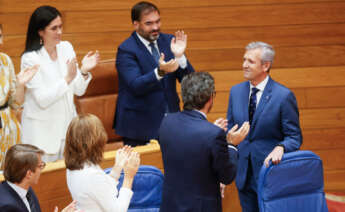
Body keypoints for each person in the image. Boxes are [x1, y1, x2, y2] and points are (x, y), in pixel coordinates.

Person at [226, 41, 302, 212]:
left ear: (265, 65)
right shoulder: (235, 92)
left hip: (271, 174)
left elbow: (295, 137)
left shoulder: (283, 96)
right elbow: (231, 129)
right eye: (244, 59)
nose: (244, 65)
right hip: (243, 174)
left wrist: (281, 147)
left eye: (250, 61)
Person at [158, 72, 250, 212]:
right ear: (210, 98)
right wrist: (231, 144)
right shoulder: (213, 134)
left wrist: (210, 130)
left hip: (171, 205)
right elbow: (227, 176)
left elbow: (187, 145)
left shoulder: (166, 122)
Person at [20, 6, 100, 162]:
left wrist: (83, 71)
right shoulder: (30, 58)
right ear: (40, 31)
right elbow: (42, 99)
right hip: (41, 134)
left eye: (60, 27)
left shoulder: (66, 48)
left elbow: (78, 90)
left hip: (67, 130)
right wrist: (67, 79)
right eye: (54, 28)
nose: (59, 32)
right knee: (44, 183)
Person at [113, 1, 195, 146]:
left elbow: (190, 81)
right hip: (140, 127)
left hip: (172, 121)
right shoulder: (126, 49)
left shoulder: (169, 41)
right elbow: (135, 85)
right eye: (149, 23)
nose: (156, 27)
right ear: (136, 24)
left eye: (158, 21)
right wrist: (160, 71)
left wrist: (180, 57)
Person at [65, 114, 140, 212]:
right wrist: (129, 177)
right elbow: (118, 210)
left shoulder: (75, 166)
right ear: (96, 141)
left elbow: (102, 191)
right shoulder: (91, 175)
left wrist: (118, 167)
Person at [0, 24, 39, 168]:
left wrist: (20, 85)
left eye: (0, 36)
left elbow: (16, 104)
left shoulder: (4, 61)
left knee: (11, 177)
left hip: (9, 130)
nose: (1, 42)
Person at [0, 144, 79, 212]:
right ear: (29, 174)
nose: (42, 169)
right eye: (40, 166)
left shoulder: (26, 190)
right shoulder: (7, 207)